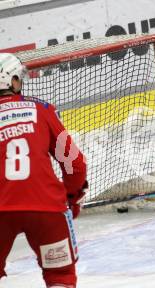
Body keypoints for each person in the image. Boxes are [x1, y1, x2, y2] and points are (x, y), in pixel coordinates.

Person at [0, 53, 88, 287]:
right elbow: (75, 164)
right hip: (46, 208)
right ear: (14, 81)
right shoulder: (42, 109)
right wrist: (72, 196)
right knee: (60, 276)